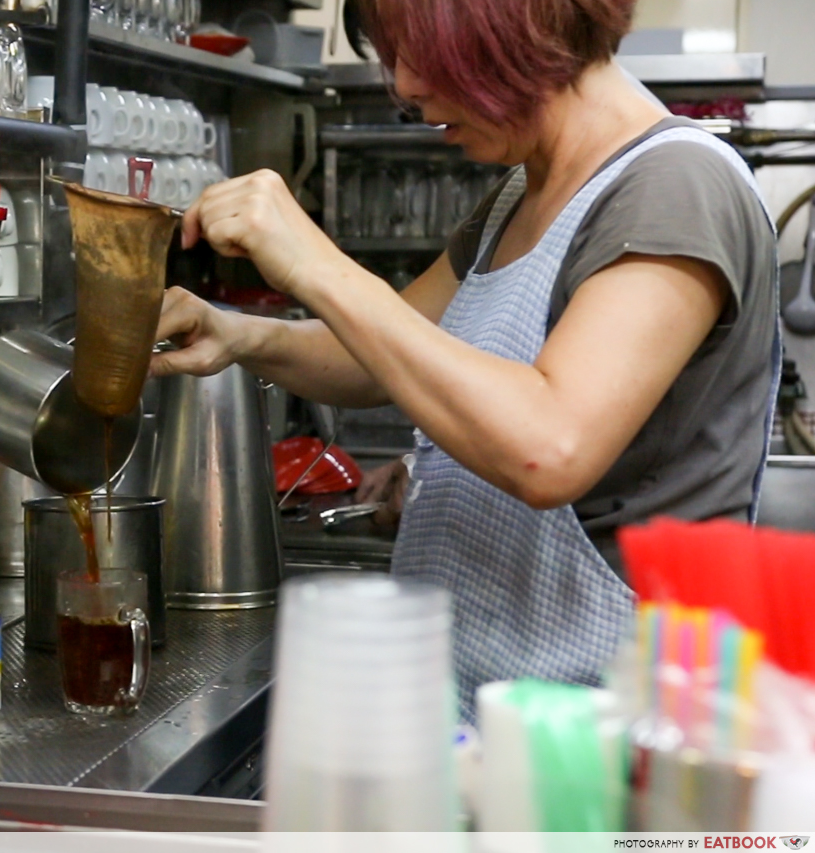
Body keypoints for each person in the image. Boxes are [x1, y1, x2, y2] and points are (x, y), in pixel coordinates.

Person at [150, 0, 778, 718]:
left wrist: (315, 264)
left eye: (424, 50)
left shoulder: (674, 188)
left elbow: (550, 445)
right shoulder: (521, 190)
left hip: (605, 734)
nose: (406, 87)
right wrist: (241, 335)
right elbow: (381, 354)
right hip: (486, 707)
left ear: (523, 27)